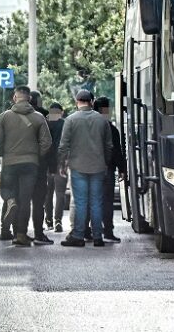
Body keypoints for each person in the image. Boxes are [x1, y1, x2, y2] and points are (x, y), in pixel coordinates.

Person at [0, 85, 52, 247]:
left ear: (14, 98)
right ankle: (21, 235)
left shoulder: (4, 116)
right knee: (25, 200)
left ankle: (10, 200)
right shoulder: (39, 117)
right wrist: (35, 155)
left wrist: (4, 153)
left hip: (10, 162)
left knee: (10, 191)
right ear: (29, 98)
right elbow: (47, 142)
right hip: (30, 164)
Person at [59, 90, 112, 248]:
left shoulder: (70, 120)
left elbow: (63, 146)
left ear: (77, 101)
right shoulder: (102, 120)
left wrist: (62, 164)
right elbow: (109, 146)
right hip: (98, 166)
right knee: (96, 202)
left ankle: (78, 236)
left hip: (78, 166)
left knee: (81, 202)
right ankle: (97, 237)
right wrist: (105, 163)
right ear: (92, 101)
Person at [93, 96, 126, 243]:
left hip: (90, 169)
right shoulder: (111, 129)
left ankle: (92, 231)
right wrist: (122, 169)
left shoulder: (90, 126)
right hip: (107, 170)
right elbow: (117, 151)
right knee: (107, 202)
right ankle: (107, 231)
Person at [29, 90, 53, 245]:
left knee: (20, 200)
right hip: (39, 165)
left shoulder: (10, 115)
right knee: (38, 201)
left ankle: (16, 233)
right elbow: (48, 142)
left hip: (19, 164)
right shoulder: (43, 116)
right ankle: (38, 232)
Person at [45, 103, 67, 232]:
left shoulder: (44, 123)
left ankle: (49, 221)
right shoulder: (64, 124)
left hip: (47, 163)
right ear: (61, 112)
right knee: (60, 193)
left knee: (47, 194)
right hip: (60, 162)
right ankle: (58, 220)